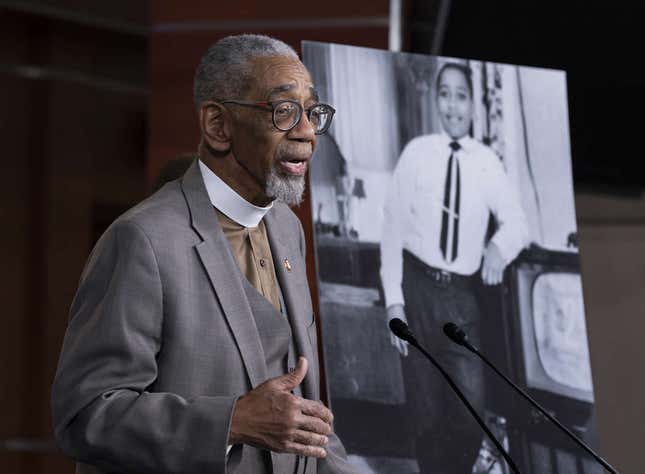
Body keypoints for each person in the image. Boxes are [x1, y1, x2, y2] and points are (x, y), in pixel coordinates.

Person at [51, 34, 357, 474]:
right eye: (284, 110)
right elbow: (85, 414)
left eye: (312, 112)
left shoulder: (287, 227)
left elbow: (302, 421)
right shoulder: (143, 240)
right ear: (218, 125)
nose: (307, 131)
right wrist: (231, 421)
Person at [379, 62, 529, 473]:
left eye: (461, 95)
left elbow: (519, 223)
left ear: (474, 106)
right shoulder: (416, 153)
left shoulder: (487, 163)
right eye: (445, 94)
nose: (452, 105)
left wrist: (498, 249)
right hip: (417, 290)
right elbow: (391, 229)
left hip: (462, 298)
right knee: (425, 418)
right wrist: (394, 303)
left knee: (470, 412)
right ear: (436, 99)